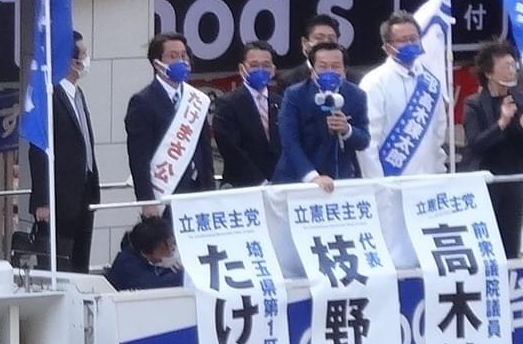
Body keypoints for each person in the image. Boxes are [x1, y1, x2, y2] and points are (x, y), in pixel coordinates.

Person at [462, 42, 523, 259]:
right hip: (486, 181)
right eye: (506, 66)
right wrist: (502, 123)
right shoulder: (474, 104)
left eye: (513, 65)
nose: (512, 70)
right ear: (489, 72)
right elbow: (476, 143)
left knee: (511, 242)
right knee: (486, 242)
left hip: (514, 179)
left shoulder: (522, 99)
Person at [28, 31, 100, 273]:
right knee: (59, 260)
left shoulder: (77, 94)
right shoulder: (50, 96)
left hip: (85, 191)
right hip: (60, 196)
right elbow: (38, 149)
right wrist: (42, 200)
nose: (87, 60)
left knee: (81, 259)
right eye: (84, 55)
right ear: (71, 62)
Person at [125, 33, 214, 217]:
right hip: (166, 194)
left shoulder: (196, 100)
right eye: (173, 56)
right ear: (157, 63)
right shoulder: (143, 101)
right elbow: (138, 158)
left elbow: (205, 150)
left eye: (183, 55)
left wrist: (210, 190)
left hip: (199, 191)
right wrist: (147, 201)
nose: (181, 61)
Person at [357, 11, 447, 178]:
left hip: (428, 181)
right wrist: (378, 184)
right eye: (403, 40)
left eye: (413, 38)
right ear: (387, 47)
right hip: (391, 182)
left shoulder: (431, 82)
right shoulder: (374, 82)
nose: (410, 44)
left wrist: (439, 173)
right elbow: (368, 141)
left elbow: (438, 134)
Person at [272, 42, 370, 192]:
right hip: (297, 180)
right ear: (313, 70)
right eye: (323, 67)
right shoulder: (294, 95)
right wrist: (313, 177)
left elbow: (363, 140)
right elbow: (289, 141)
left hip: (340, 180)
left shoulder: (357, 95)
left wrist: (347, 130)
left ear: (344, 70)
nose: (329, 71)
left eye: (335, 66)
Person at [213, 41, 282, 187]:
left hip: (280, 183)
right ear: (242, 69)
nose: (260, 70)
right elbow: (231, 149)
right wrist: (261, 183)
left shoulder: (281, 102)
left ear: (273, 70)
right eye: (254, 65)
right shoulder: (227, 104)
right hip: (243, 186)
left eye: (266, 65)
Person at [277, 14, 360, 91]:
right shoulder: (288, 81)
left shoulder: (357, 80)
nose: (325, 43)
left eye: (331, 39)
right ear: (305, 43)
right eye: (319, 38)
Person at [106, 217, 183, 291]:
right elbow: (155, 286)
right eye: (171, 246)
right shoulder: (128, 266)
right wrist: (184, 275)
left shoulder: (137, 253)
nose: (173, 250)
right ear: (156, 248)